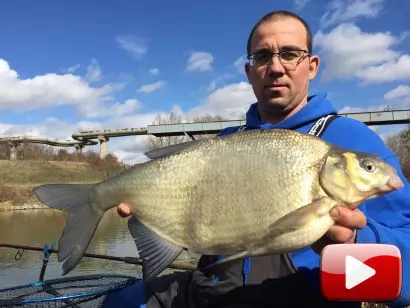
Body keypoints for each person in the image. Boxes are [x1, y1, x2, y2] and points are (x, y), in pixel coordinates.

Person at [103, 10, 410, 308]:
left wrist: (356, 240)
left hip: (299, 297)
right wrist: (156, 211)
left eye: (290, 54)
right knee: (121, 301)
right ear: (249, 72)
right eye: (262, 57)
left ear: (312, 66)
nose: (276, 68)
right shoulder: (225, 141)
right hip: (211, 292)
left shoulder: (352, 142)